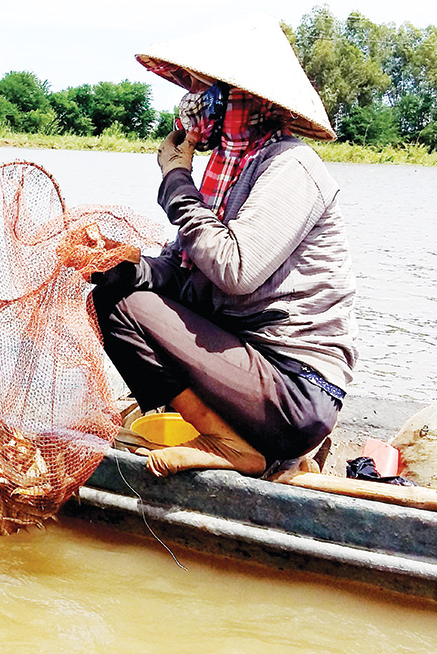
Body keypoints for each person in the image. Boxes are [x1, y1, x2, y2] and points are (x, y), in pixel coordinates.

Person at [89, 17, 357, 478]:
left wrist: (176, 180)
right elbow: (186, 270)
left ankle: (228, 443)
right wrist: (132, 269)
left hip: (294, 387)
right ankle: (228, 435)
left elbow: (233, 270)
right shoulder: (228, 169)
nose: (191, 102)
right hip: (242, 369)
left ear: (242, 99)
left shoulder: (292, 167)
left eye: (202, 88)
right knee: (112, 297)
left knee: (126, 307)